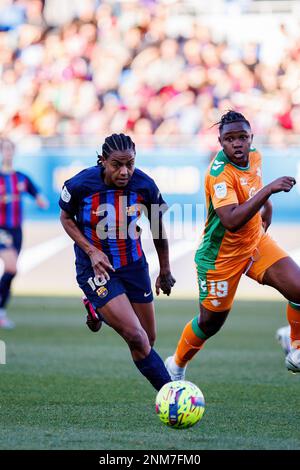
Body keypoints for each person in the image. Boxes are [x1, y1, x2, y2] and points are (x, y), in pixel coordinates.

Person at [165, 110, 300, 378]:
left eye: (242, 137)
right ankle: (176, 364)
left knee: (299, 289)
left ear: (251, 137)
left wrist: (267, 205)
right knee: (210, 323)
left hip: (254, 243)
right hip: (220, 258)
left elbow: (251, 187)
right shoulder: (218, 173)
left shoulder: (255, 156)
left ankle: (294, 343)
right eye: (230, 139)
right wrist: (269, 191)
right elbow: (230, 220)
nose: (237, 144)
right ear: (220, 142)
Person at [59, 133, 176, 391]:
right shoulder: (80, 184)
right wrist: (91, 251)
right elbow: (66, 218)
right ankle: (172, 394)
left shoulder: (145, 185)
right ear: (103, 161)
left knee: (148, 340)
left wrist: (165, 269)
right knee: (135, 336)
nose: (125, 171)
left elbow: (157, 227)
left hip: (133, 265)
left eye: (130, 164)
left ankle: (97, 307)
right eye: (117, 165)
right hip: (95, 267)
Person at [0, 138, 48, 328]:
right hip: (2, 229)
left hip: (17, 229)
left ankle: (2, 312)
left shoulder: (21, 177)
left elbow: (38, 195)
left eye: (11, 149)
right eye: (5, 149)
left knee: (11, 272)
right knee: (12, 267)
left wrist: (40, 199)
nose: (8, 153)